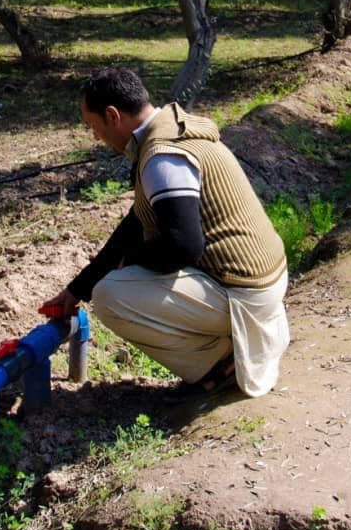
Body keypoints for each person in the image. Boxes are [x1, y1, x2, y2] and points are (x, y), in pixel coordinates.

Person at [42, 68, 291, 400]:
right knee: (108, 281)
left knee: (112, 295)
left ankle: (219, 366)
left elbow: (182, 246)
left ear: (113, 116)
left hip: (247, 293)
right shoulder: (172, 130)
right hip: (263, 278)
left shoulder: (162, 157)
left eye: (94, 126)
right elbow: (137, 223)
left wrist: (123, 268)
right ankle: (227, 348)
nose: (96, 138)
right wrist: (79, 286)